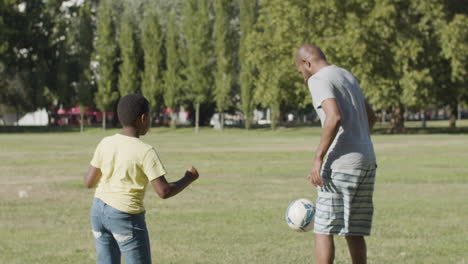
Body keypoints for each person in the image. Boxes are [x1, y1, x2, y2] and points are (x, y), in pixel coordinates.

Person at [84, 94, 199, 264]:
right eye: (149, 116)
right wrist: (188, 178)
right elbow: (164, 191)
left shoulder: (105, 142)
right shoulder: (145, 151)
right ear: (143, 118)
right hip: (124, 216)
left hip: (98, 211)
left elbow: (88, 182)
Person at [295, 44, 377, 264]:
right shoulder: (346, 75)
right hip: (366, 160)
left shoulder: (318, 79)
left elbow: (334, 117)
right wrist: (358, 139)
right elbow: (372, 117)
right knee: (354, 230)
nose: (302, 76)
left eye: (300, 70)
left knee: (323, 229)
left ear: (307, 63)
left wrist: (317, 159)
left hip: (341, 164)